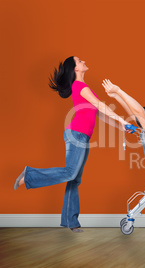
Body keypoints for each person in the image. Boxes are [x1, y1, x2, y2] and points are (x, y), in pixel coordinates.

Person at [13, 57, 132, 233]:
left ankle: (71, 221)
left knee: (74, 179)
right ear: (75, 69)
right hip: (76, 134)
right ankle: (29, 175)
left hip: (81, 136)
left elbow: (100, 114)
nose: (83, 61)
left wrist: (121, 126)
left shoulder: (85, 89)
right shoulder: (79, 86)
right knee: (70, 173)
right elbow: (100, 105)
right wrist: (122, 119)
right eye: (79, 60)